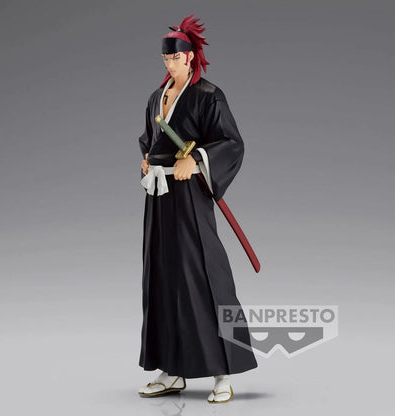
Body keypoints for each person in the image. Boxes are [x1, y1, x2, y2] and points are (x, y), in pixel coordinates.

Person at [137, 14, 258, 404]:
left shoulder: (208, 95)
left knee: (203, 273)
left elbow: (231, 142)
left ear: (189, 56)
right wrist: (146, 160)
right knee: (162, 276)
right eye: (165, 58)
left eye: (174, 57)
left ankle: (224, 371)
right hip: (159, 195)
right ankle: (171, 368)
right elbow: (149, 140)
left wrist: (198, 158)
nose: (169, 63)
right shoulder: (157, 97)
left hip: (189, 193)